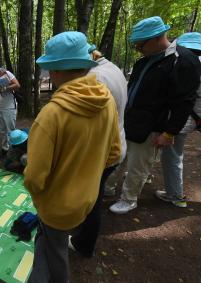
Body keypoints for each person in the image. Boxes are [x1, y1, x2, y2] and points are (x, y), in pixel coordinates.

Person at [24, 31, 121, 283]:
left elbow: (35, 177)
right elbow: (114, 153)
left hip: (56, 208)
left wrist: (40, 200)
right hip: (86, 201)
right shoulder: (106, 100)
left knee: (53, 254)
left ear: (55, 71)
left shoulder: (51, 115)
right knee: (49, 246)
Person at [109, 16, 200, 214]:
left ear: (157, 38)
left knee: (138, 164)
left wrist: (169, 132)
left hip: (152, 124)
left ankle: (129, 199)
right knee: (120, 155)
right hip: (132, 120)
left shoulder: (183, 61)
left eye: (140, 45)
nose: (138, 49)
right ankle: (108, 188)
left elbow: (184, 101)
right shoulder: (146, 60)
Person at [68, 45, 128, 257]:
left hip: (104, 150)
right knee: (95, 193)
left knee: (92, 199)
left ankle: (84, 243)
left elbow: (88, 125)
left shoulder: (95, 79)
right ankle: (83, 233)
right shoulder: (113, 68)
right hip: (116, 144)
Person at [156, 32, 201, 208]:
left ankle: (175, 195)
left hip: (186, 117)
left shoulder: (185, 63)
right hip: (195, 116)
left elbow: (181, 98)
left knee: (173, 157)